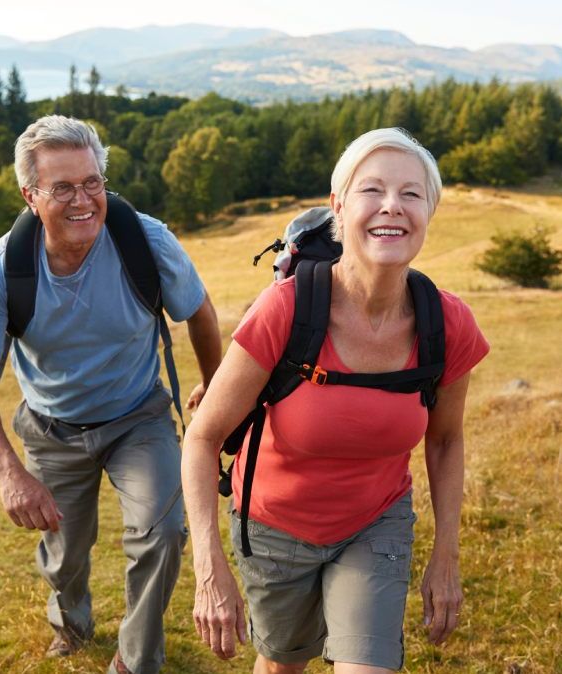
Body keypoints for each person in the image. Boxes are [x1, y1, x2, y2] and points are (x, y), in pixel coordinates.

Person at [181, 128, 489, 673]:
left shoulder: (448, 322)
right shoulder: (286, 309)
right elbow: (203, 436)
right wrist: (209, 568)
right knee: (282, 664)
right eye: (372, 190)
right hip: (275, 526)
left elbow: (444, 438)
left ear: (429, 213)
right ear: (338, 208)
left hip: (376, 522)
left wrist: (446, 554)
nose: (392, 206)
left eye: (411, 194)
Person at [0, 115, 222, 674]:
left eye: (92, 182)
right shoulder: (3, 268)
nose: (84, 200)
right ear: (31, 196)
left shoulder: (145, 240)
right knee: (64, 555)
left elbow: (199, 314)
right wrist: (9, 472)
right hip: (51, 428)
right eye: (62, 188)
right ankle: (71, 623)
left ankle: (135, 659)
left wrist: (215, 391)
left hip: (137, 417)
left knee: (164, 530)